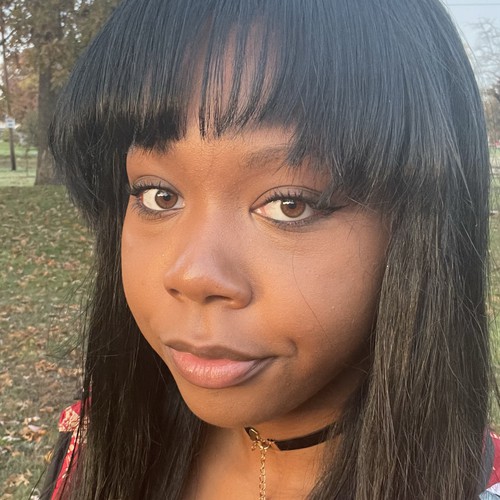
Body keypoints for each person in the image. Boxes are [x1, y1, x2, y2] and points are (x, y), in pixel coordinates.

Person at [40, 0, 497, 498]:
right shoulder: (96, 440)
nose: (192, 276)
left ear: (419, 226)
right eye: (159, 195)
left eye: (289, 205)